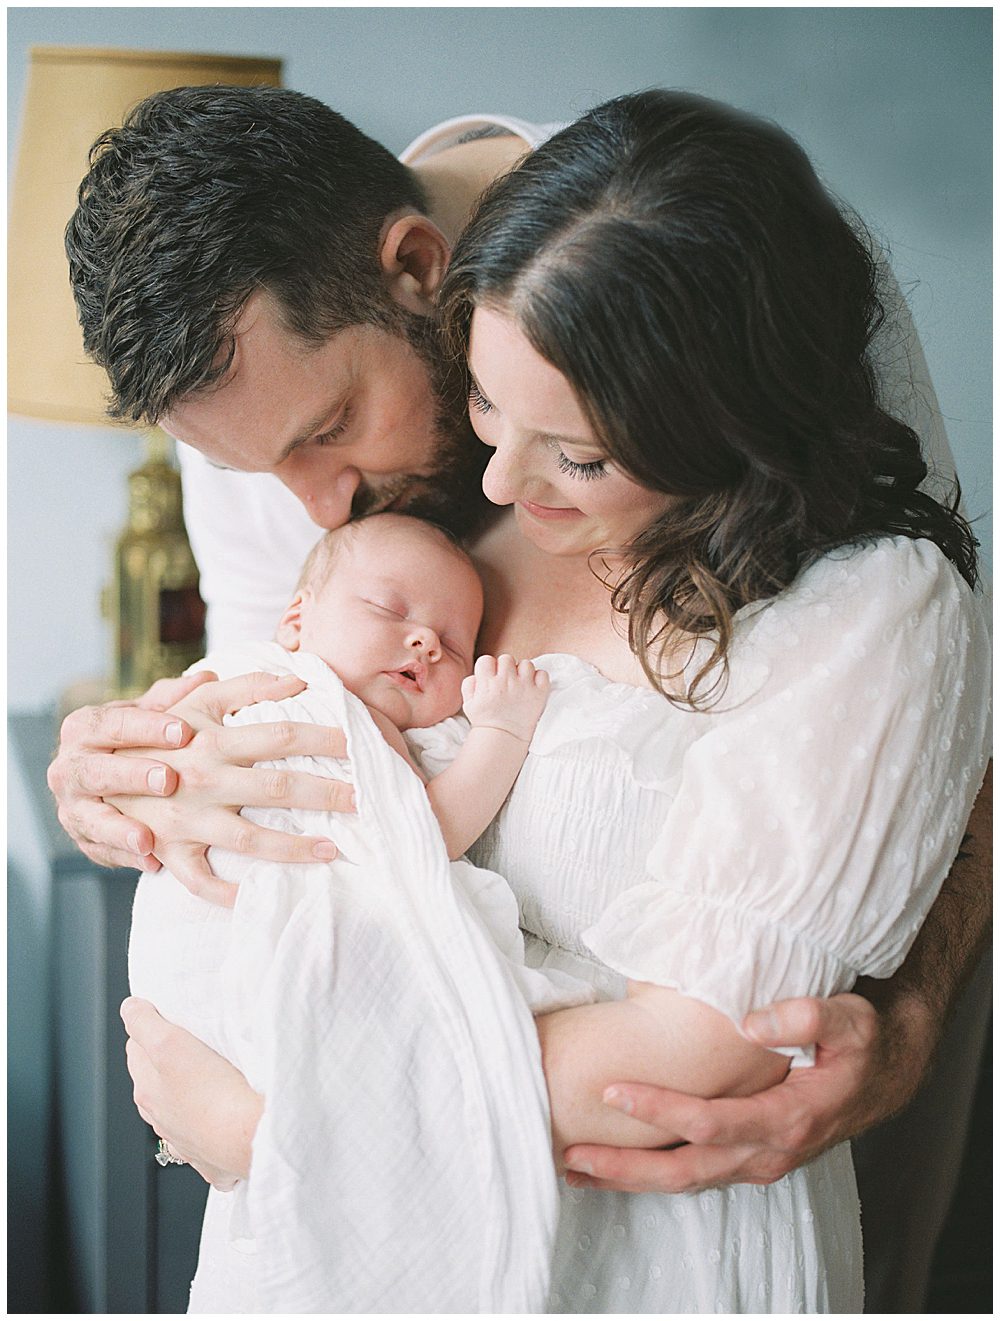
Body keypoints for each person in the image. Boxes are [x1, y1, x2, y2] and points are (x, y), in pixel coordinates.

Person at [53, 86, 991, 1308]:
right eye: (257, 466)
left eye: (333, 430)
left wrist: (912, 1015)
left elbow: (929, 713)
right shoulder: (251, 383)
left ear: (418, 273)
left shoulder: (706, 278)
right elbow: (279, 729)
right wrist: (130, 774)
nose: (318, 509)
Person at [129, 512, 593, 1311]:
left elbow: (394, 852)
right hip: (217, 956)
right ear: (296, 618)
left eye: (454, 642)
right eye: (391, 611)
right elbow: (423, 838)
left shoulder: (398, 736)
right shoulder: (277, 691)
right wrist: (503, 734)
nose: (426, 644)